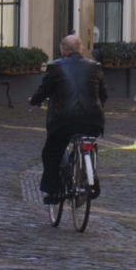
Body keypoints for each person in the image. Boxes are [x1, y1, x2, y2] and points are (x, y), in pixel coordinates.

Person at [28, 34, 108, 203]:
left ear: (63, 51)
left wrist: (33, 100)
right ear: (81, 49)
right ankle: (89, 172)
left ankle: (54, 191)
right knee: (90, 141)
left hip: (64, 121)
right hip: (93, 120)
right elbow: (103, 95)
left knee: (52, 152)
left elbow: (44, 90)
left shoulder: (55, 67)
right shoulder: (95, 67)